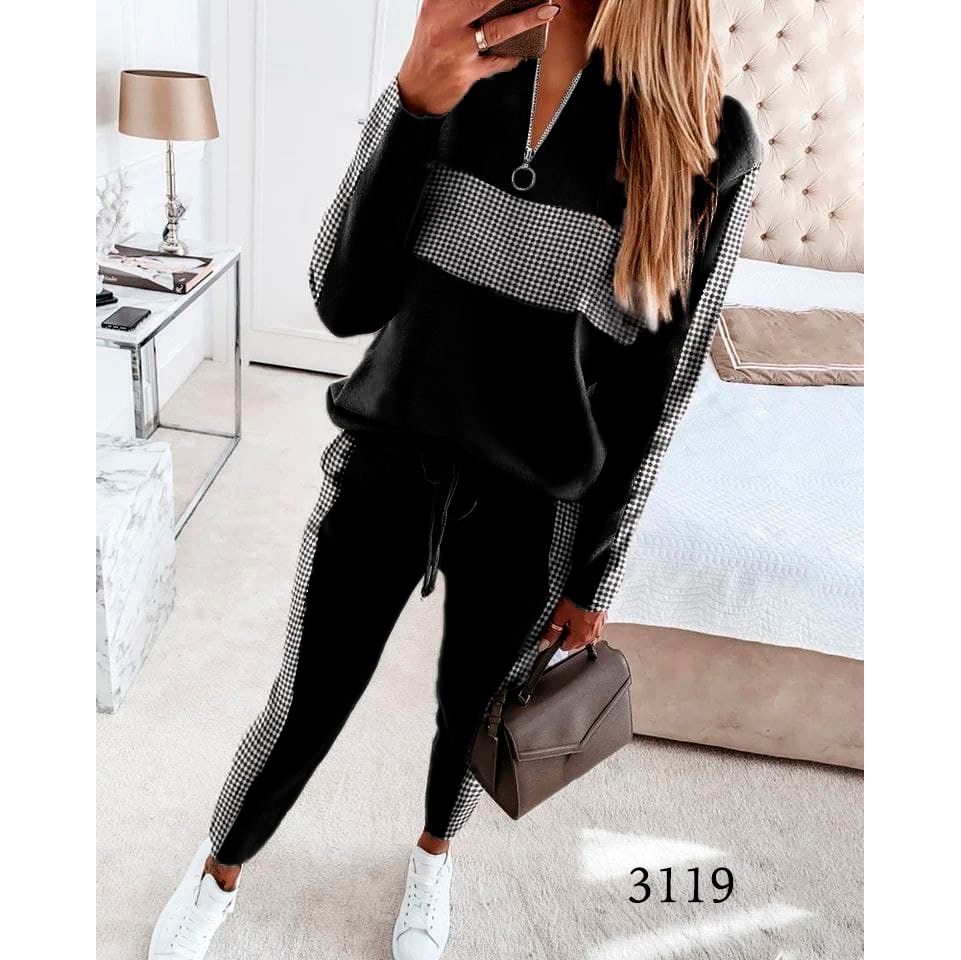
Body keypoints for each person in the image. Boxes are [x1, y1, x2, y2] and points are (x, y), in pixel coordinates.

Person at [148, 1, 760, 958]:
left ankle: (434, 857)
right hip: (386, 459)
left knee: (474, 716)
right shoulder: (463, 50)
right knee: (306, 698)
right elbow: (341, 299)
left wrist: (595, 572)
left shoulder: (705, 135)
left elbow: (656, 390)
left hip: (538, 505)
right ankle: (220, 867)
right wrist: (410, 103)